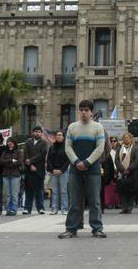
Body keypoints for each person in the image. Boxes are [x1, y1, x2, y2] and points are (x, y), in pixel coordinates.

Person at [59, 100, 106, 239]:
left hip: (93, 170)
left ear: (92, 112)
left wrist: (87, 162)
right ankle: (71, 229)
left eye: (86, 110)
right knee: (74, 201)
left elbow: (100, 148)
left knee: (95, 201)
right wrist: (76, 161)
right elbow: (68, 147)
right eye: (81, 110)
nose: (83, 112)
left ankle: (97, 228)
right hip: (75, 170)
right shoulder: (72, 127)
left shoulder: (98, 127)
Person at [23, 126, 48, 215]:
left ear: (41, 133)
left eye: (39, 132)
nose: (37, 133)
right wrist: (30, 164)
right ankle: (27, 208)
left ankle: (40, 208)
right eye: (36, 131)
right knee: (28, 189)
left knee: (39, 190)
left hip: (39, 169)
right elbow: (25, 154)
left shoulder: (44, 142)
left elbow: (42, 154)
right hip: (29, 169)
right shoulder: (28, 142)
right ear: (33, 132)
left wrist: (31, 161)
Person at [115, 132, 138, 214]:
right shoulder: (119, 148)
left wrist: (129, 169)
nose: (126, 139)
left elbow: (136, 160)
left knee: (131, 191)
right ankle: (124, 207)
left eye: (127, 137)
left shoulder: (135, 148)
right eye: (124, 137)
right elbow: (117, 160)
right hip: (122, 173)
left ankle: (129, 207)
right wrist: (122, 170)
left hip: (132, 173)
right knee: (122, 191)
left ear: (130, 139)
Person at [47, 130, 70, 215]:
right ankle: (54, 209)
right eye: (57, 135)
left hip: (63, 171)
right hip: (53, 171)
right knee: (54, 191)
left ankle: (64, 209)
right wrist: (52, 169)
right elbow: (49, 159)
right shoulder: (52, 147)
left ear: (63, 137)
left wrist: (61, 170)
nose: (58, 136)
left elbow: (68, 160)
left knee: (63, 191)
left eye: (60, 135)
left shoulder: (66, 147)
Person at [1, 137, 23, 216]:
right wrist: (12, 160)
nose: (9, 143)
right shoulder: (4, 152)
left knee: (14, 194)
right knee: (8, 194)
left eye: (10, 141)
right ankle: (8, 209)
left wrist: (9, 163)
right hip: (6, 174)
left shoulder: (18, 152)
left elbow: (20, 162)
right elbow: (2, 162)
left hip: (15, 175)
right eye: (8, 141)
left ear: (14, 143)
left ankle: (13, 209)